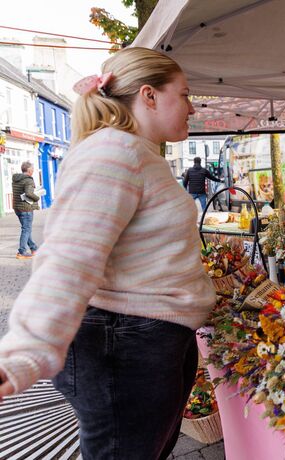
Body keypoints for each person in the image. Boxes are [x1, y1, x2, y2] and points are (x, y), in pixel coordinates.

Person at [0, 47, 216, 459]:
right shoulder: (114, 152)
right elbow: (68, 258)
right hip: (123, 347)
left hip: (141, 343)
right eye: (185, 94)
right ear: (149, 96)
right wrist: (26, 351)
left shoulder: (136, 153)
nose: (192, 106)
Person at [12, 161, 40, 259]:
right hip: (26, 208)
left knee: (26, 229)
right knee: (26, 229)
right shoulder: (28, 180)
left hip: (17, 207)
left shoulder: (16, 179)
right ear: (29, 170)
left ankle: (33, 248)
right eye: (32, 169)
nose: (33, 171)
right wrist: (37, 197)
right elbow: (28, 193)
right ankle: (22, 252)